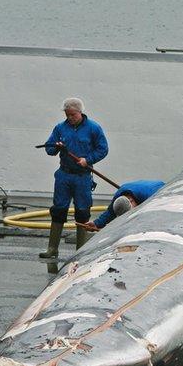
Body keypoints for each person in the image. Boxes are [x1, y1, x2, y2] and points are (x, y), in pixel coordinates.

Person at [40, 98, 108, 257]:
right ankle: (52, 249)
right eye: (67, 115)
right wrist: (54, 146)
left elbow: (103, 149)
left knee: (83, 212)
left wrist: (88, 160)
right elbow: (49, 149)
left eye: (72, 115)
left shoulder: (93, 128)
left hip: (82, 177)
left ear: (80, 112)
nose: (69, 118)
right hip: (64, 175)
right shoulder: (60, 128)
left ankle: (80, 251)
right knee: (58, 210)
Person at [78, 180, 164, 232]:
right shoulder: (119, 196)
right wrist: (97, 223)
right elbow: (110, 212)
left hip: (162, 190)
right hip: (141, 188)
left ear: (131, 201)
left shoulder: (150, 197)